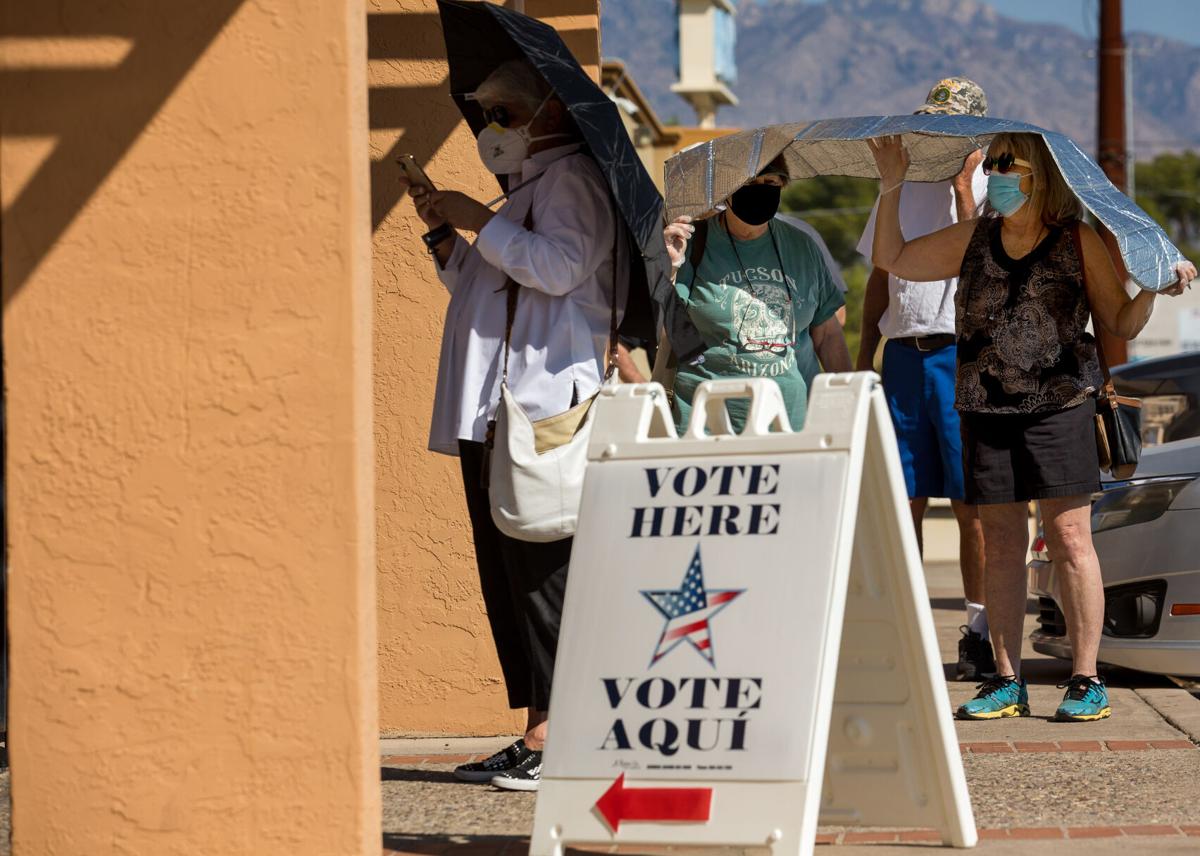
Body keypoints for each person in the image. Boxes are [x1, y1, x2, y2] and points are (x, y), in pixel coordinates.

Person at [867, 131, 1195, 722]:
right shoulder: (975, 237)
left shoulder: (1077, 240)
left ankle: (1086, 679)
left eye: (1006, 165)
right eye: (991, 166)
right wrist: (892, 183)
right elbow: (895, 259)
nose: (995, 176)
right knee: (1001, 546)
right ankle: (1005, 680)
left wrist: (1152, 287)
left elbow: (1119, 316)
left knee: (1070, 539)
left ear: (1040, 175)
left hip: (1060, 406)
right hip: (985, 410)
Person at [401, 59, 626, 790]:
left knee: (541, 574)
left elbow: (560, 269)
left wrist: (483, 219)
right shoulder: (526, 189)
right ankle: (536, 727)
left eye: (502, 112)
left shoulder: (575, 183)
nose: (490, 127)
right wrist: (444, 233)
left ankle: (558, 732)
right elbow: (482, 285)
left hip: (540, 408)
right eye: (485, 111)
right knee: (509, 577)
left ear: (550, 111)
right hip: (494, 410)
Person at [856, 77, 992, 681]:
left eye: (951, 127)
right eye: (932, 123)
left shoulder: (995, 191)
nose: (937, 135)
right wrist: (866, 353)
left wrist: (966, 186)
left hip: (961, 357)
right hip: (904, 360)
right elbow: (879, 277)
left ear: (976, 137)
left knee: (971, 504)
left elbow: (986, 258)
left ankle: (981, 633)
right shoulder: (898, 186)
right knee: (903, 501)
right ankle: (906, 632)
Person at [662, 159, 851, 433]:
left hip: (795, 425)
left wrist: (848, 403)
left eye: (771, 183)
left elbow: (828, 334)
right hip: (707, 426)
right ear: (726, 191)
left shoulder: (802, 246)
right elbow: (666, 329)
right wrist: (670, 269)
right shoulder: (693, 243)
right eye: (749, 183)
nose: (760, 190)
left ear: (782, 185)